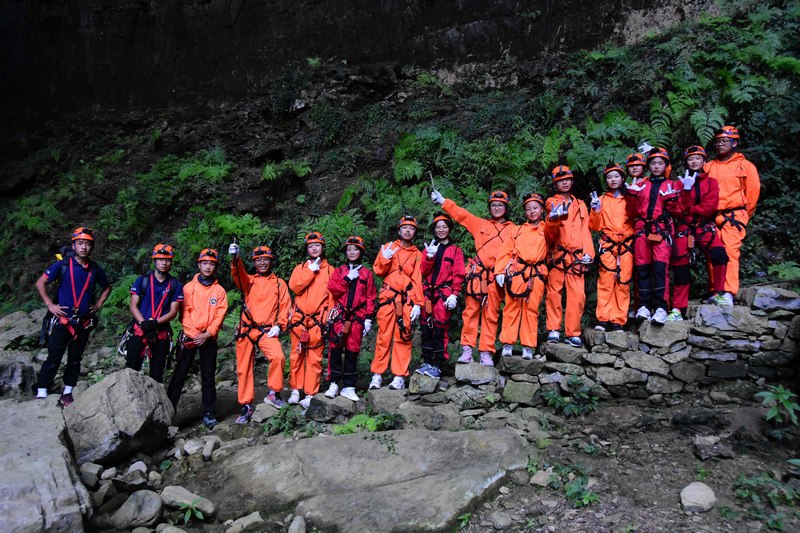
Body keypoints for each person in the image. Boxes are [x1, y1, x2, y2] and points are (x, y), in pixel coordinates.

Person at [431, 189, 516, 366]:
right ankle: (467, 349)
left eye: (500, 205)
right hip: (477, 275)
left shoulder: (514, 230)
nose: (497, 208)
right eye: (494, 205)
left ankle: (486, 351)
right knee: (470, 312)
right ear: (489, 207)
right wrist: (443, 202)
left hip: (496, 277)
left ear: (506, 208)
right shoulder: (481, 224)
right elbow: (462, 215)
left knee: (491, 314)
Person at [35, 227, 111, 406]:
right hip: (63, 320)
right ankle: (42, 390)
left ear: (92, 247)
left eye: (87, 244)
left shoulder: (95, 269)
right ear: (74, 245)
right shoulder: (62, 266)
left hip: (83, 322)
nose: (84, 247)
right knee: (54, 357)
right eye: (80, 243)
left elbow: (107, 287)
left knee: (75, 359)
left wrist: (98, 304)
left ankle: (67, 392)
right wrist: (50, 305)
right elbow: (41, 283)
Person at [166, 248, 228, 428]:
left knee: (208, 376)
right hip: (190, 337)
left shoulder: (219, 291)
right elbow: (184, 313)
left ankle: (209, 412)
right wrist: (195, 335)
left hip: (209, 339)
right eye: (205, 263)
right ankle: (168, 411)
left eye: (211, 264)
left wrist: (208, 334)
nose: (208, 267)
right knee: (180, 374)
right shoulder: (188, 288)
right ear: (199, 264)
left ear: (215, 266)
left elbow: (220, 315)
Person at [230, 243, 292, 422]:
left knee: (278, 356)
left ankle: (273, 392)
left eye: (265, 260)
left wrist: (280, 326)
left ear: (271, 261)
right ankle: (246, 405)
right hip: (247, 330)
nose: (262, 263)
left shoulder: (279, 283)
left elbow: (285, 307)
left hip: (267, 330)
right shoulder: (249, 281)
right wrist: (235, 259)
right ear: (254, 263)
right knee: (244, 368)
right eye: (259, 260)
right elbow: (238, 274)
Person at [668, 145, 730, 319]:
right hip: (685, 228)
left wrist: (689, 209)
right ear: (686, 162)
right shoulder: (679, 183)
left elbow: (709, 208)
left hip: (704, 226)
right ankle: (678, 308)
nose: (694, 161)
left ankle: (719, 293)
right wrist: (686, 192)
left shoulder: (711, 182)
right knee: (680, 266)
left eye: (698, 158)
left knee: (719, 254)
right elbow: (676, 209)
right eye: (690, 159)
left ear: (704, 161)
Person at [495, 194, 557, 361]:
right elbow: (506, 251)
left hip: (536, 274)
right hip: (517, 271)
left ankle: (528, 346)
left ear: (542, 210)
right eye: (528, 208)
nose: (532, 212)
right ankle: (507, 344)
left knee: (531, 310)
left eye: (535, 208)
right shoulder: (517, 230)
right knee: (511, 308)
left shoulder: (546, 229)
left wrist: (555, 219)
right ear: (524, 211)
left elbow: (554, 232)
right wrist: (500, 271)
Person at [704, 125, 760, 304]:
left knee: (730, 251)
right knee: (714, 253)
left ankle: (727, 291)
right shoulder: (709, 167)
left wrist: (744, 215)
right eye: (718, 142)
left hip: (734, 215)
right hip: (712, 216)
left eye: (724, 141)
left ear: (734, 143)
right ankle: (715, 290)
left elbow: (752, 192)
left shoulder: (745, 166)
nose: (720, 145)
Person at [626, 147, 681, 325]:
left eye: (660, 163)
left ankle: (661, 307)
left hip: (661, 230)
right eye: (653, 163)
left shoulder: (672, 185)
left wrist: (671, 200)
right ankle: (643, 305)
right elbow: (631, 212)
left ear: (666, 165)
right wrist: (632, 196)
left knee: (659, 269)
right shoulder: (641, 185)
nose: (656, 166)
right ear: (648, 166)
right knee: (642, 269)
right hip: (642, 229)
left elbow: (679, 211)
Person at [370, 215, 424, 390]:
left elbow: (417, 280)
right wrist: (385, 258)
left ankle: (399, 375)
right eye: (405, 227)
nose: (408, 231)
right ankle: (377, 374)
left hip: (405, 301)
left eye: (411, 228)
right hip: (387, 300)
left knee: (403, 337)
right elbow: (378, 270)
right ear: (399, 230)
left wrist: (418, 303)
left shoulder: (417, 255)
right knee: (383, 337)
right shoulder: (388, 247)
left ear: (414, 232)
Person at [545, 165, 595, 347]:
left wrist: (588, 253)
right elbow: (551, 211)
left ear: (572, 181)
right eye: (560, 181)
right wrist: (555, 215)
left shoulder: (581, 204)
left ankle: (572, 332)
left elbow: (585, 230)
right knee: (554, 294)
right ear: (555, 184)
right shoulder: (552, 201)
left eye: (566, 180)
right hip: (557, 255)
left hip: (576, 257)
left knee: (577, 295)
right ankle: (553, 329)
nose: (564, 183)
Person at [325, 236, 376, 401]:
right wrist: (347, 279)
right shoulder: (339, 271)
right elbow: (333, 289)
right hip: (339, 316)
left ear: (360, 252)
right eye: (349, 249)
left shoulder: (367, 274)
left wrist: (368, 318)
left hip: (357, 318)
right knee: (335, 350)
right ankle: (333, 383)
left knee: (352, 352)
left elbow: (370, 297)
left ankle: (349, 386)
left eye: (355, 249)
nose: (352, 252)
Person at [288, 231, 334, 409]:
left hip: (317, 320)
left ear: (322, 248)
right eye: (310, 246)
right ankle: (295, 389)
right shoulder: (300, 268)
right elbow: (295, 287)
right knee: (297, 354)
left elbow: (332, 296)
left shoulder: (330, 271)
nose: (314, 249)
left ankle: (310, 393)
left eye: (317, 245)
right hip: (299, 319)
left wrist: (328, 319)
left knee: (314, 358)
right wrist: (309, 272)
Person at [415, 214, 465, 378]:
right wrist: (429, 257)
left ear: (449, 228)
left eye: (444, 226)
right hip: (428, 293)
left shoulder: (455, 250)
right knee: (425, 328)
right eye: (438, 227)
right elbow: (423, 271)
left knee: (439, 329)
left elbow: (459, 274)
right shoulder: (429, 247)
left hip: (443, 294)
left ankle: (437, 364)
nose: (441, 230)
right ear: (434, 229)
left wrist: (455, 294)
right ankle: (427, 362)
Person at [125, 244, 184, 383]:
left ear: (171, 262)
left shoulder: (175, 285)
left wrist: (154, 323)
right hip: (140, 329)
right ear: (154, 260)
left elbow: (173, 311)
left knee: (157, 374)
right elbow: (133, 305)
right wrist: (143, 323)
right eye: (160, 259)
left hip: (161, 332)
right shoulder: (143, 280)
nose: (164, 263)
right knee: (131, 370)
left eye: (167, 260)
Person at [589, 164, 635, 331]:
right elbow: (594, 226)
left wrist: (635, 198)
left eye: (616, 176)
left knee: (623, 282)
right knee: (606, 281)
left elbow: (637, 218)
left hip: (626, 245)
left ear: (622, 178)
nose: (613, 180)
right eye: (609, 177)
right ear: (606, 180)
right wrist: (595, 210)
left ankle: (618, 320)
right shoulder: (601, 200)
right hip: (608, 244)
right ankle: (603, 318)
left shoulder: (629, 198)